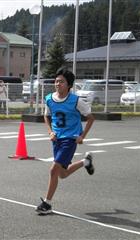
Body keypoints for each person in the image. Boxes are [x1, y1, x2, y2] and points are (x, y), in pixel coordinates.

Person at [36, 67, 95, 215]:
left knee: (53, 170)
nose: (58, 84)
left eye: (61, 82)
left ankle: (47, 203)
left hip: (70, 139)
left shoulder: (76, 101)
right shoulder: (49, 99)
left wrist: (82, 136)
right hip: (56, 140)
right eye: (56, 81)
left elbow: (90, 118)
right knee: (62, 174)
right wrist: (50, 132)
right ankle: (85, 162)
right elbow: (47, 116)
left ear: (69, 85)